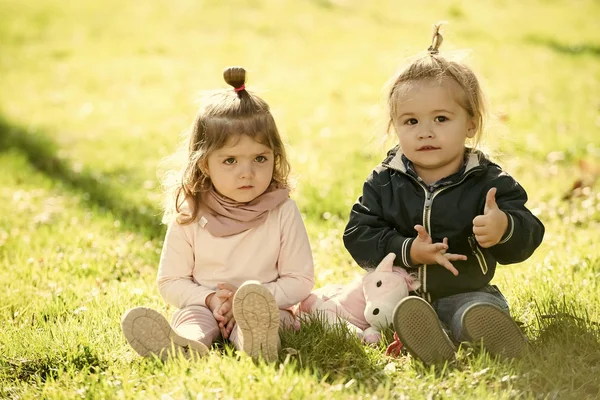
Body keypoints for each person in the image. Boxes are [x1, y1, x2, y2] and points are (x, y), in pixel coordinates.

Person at [343, 23, 545, 364]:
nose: (425, 132)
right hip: (403, 294)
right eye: (411, 122)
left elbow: (530, 232)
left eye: (440, 118)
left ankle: (480, 329)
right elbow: (357, 234)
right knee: (406, 312)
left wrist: (504, 228)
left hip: (467, 289)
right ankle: (426, 335)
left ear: (471, 123)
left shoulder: (487, 181)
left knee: (474, 309)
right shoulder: (385, 180)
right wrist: (408, 250)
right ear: (395, 126)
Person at [121, 66, 315, 363]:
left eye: (260, 158)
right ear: (204, 165)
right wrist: (209, 299)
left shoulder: (282, 210)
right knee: (193, 319)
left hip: (266, 303)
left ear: (275, 156)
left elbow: (299, 279)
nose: (247, 172)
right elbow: (171, 281)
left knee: (275, 319)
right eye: (230, 160)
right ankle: (187, 345)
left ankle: (255, 341)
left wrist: (250, 301)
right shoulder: (190, 212)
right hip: (205, 304)